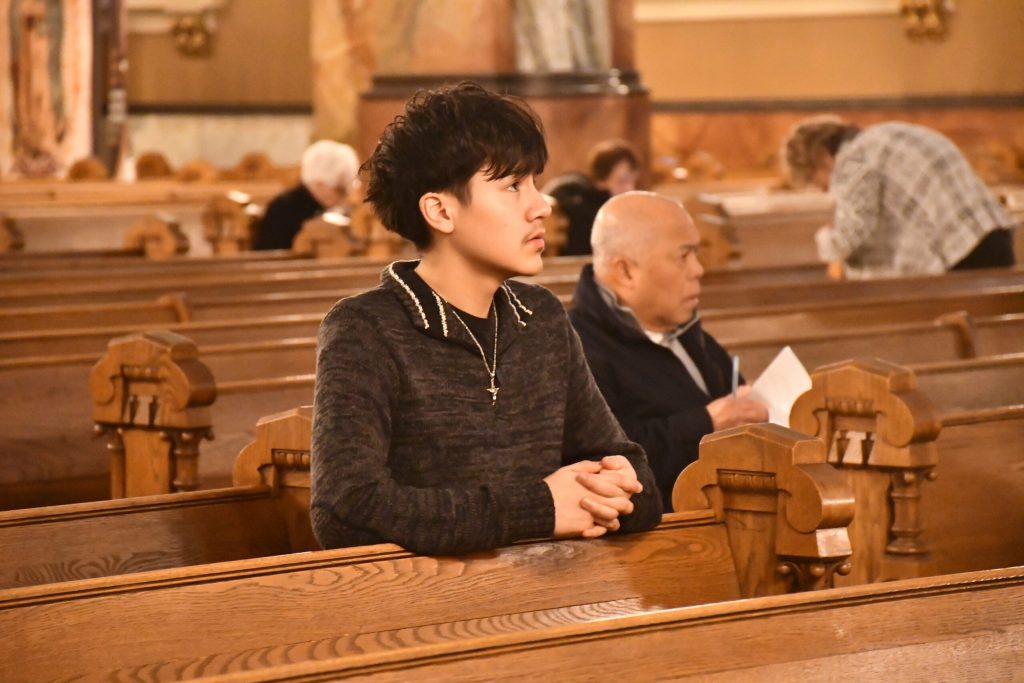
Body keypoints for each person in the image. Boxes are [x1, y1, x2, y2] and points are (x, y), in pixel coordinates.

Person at [310, 83, 662, 555]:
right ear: (440, 210)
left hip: (553, 604)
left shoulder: (541, 318)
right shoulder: (366, 329)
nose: (541, 205)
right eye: (513, 186)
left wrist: (620, 488)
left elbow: (639, 481)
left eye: (535, 182)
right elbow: (345, 510)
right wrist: (540, 508)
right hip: (426, 615)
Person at [569, 191, 768, 509]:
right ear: (626, 272)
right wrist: (707, 423)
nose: (698, 270)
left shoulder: (683, 329)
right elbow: (608, 461)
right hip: (659, 542)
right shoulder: (578, 349)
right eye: (683, 256)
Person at [782, 116, 1016, 278]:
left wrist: (825, 239)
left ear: (823, 157)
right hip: (995, 236)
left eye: (815, 179)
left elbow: (851, 235)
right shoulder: (889, 133)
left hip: (960, 253)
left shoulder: (852, 159)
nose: (825, 190)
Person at [253, 140, 359, 250]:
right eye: (340, 190)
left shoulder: (334, 210)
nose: (345, 197)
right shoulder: (282, 211)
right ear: (320, 184)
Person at [542, 139, 639, 256]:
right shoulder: (578, 198)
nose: (629, 188)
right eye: (621, 181)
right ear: (601, 181)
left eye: (632, 181)